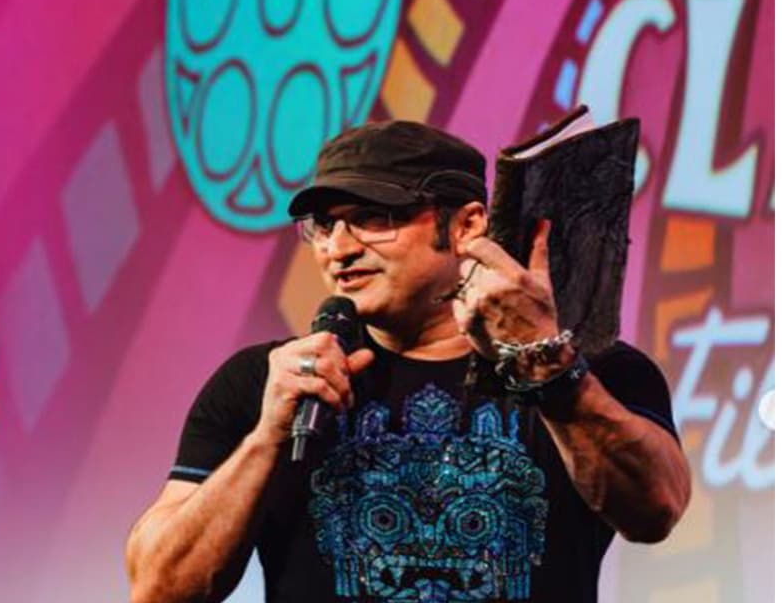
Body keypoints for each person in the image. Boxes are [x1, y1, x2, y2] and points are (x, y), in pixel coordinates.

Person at [125, 121, 691, 603]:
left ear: (467, 225)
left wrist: (547, 369)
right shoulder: (265, 383)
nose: (338, 248)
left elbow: (656, 511)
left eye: (373, 217)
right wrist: (267, 438)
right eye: (324, 225)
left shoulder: (596, 370)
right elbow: (160, 588)